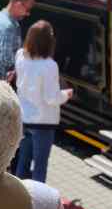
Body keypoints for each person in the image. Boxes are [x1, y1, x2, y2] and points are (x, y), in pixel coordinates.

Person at [14, 21, 73, 182]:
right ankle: (39, 201)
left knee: (23, 162)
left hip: (25, 118)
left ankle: (18, 195)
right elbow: (51, 98)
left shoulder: (20, 55)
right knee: (40, 166)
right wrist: (66, 94)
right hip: (43, 122)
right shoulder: (49, 65)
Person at [0, 0, 34, 81]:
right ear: (18, 5)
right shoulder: (7, 26)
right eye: (27, 10)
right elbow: (4, 60)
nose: (28, 14)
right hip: (2, 83)